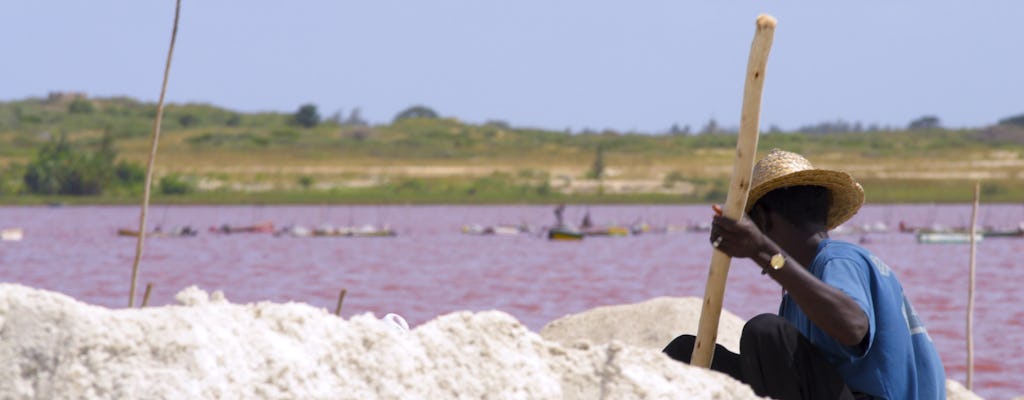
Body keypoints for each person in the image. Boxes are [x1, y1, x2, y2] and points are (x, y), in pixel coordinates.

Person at [663, 149, 946, 399]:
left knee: (765, 333)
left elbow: (853, 328)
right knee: (687, 353)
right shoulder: (801, 289)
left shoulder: (838, 260)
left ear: (761, 219)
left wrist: (762, 251)